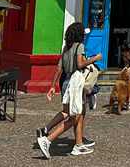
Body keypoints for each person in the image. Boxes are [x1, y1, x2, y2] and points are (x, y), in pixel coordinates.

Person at [36, 22, 102, 158]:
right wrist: (95, 59)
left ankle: (78, 144)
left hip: (66, 81)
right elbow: (80, 64)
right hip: (76, 82)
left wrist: (52, 86)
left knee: (75, 113)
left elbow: (59, 68)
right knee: (74, 118)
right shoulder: (79, 46)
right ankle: (47, 140)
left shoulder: (66, 47)